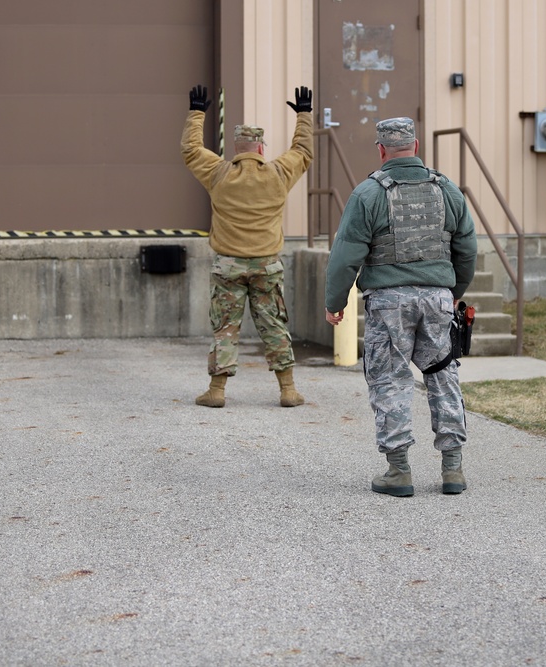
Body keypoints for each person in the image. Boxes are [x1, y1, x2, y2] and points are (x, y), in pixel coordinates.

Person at [324, 117, 477, 497]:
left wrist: (335, 302)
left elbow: (345, 256)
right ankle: (453, 469)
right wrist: (454, 290)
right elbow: (467, 247)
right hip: (438, 298)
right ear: (417, 145)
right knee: (443, 376)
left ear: (380, 149)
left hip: (389, 302)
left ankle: (398, 472)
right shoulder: (448, 191)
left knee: (390, 379)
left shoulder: (368, 193)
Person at [181, 84, 314, 408]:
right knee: (273, 324)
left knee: (226, 326)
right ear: (261, 149)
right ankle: (288, 390)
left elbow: (190, 151)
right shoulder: (278, 173)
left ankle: (217, 390)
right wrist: (304, 115)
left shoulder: (219, 173)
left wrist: (196, 113)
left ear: (237, 148)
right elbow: (304, 151)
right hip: (266, 265)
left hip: (228, 265)